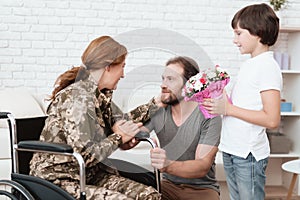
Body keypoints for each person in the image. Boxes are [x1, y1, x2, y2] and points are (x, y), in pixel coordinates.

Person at [29, 36, 161, 200]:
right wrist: (119, 137)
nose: (123, 75)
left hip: (90, 175)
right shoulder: (76, 99)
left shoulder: (98, 96)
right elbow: (83, 155)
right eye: (122, 67)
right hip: (60, 180)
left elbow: (122, 120)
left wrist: (157, 103)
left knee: (149, 196)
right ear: (108, 67)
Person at [203, 3, 282, 200]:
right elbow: (241, 105)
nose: (234, 40)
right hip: (232, 149)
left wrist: (228, 109)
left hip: (248, 154)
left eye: (239, 33)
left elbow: (272, 120)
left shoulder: (267, 67)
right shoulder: (251, 65)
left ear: (258, 32)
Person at [142, 56, 222, 200]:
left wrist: (168, 165)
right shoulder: (159, 111)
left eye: (171, 79)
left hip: (202, 190)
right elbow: (128, 138)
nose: (163, 85)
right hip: (167, 186)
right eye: (163, 79)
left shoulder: (209, 115)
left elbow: (202, 166)